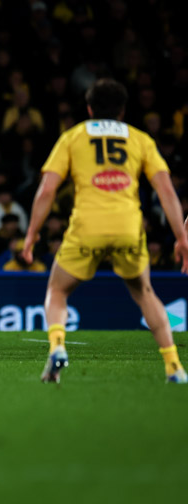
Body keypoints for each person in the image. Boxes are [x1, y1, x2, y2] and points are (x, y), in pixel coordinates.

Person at [21, 79, 188, 383]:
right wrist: (182, 237)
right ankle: (174, 365)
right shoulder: (140, 139)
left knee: (57, 290)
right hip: (128, 227)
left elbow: (46, 190)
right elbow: (165, 189)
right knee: (145, 293)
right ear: (123, 111)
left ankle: (57, 347)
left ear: (89, 109)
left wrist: (32, 234)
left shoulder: (72, 137)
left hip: (88, 226)